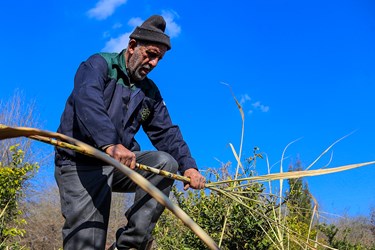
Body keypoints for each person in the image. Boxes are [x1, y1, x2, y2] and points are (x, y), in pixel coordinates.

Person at [55, 15, 206, 250]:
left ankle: (129, 245)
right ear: (133, 46)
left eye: (159, 59)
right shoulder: (98, 65)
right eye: (151, 54)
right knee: (87, 244)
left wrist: (189, 165)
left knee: (166, 164)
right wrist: (110, 143)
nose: (154, 63)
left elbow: (166, 132)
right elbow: (88, 101)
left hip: (117, 165)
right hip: (80, 163)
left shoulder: (149, 92)